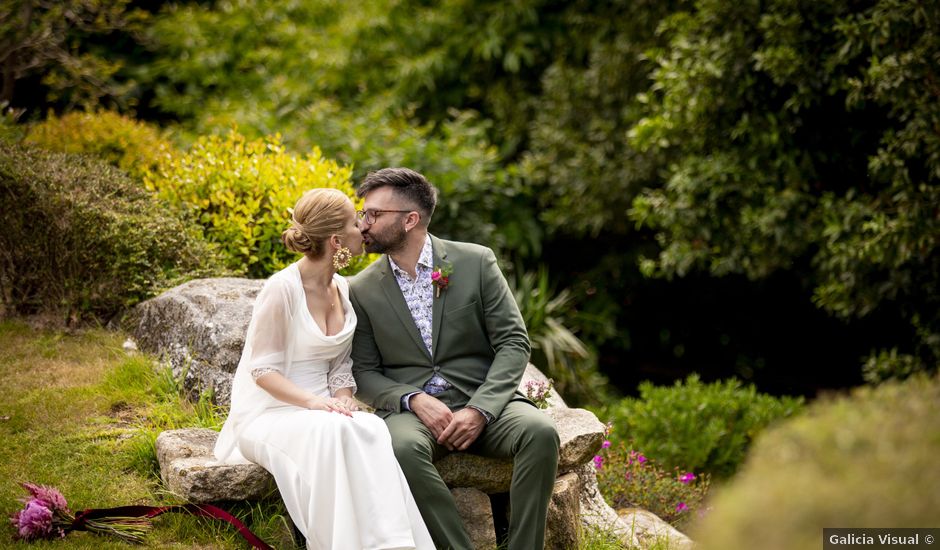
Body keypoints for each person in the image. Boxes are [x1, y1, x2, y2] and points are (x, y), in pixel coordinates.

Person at [349, 168, 561, 550]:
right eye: (364, 214)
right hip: (412, 414)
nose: (363, 224)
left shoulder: (476, 262)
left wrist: (481, 409)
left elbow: (514, 342)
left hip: (484, 401)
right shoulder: (361, 289)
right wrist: (412, 399)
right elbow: (363, 372)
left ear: (410, 219)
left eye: (373, 214)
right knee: (399, 449)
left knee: (540, 433)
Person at [213, 188, 434, 550]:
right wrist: (315, 404)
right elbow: (263, 372)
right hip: (273, 413)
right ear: (335, 240)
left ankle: (394, 544)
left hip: (326, 411)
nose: (364, 226)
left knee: (370, 427)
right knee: (332, 433)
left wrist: (343, 398)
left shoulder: (343, 289)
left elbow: (339, 365)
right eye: (354, 221)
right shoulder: (281, 290)